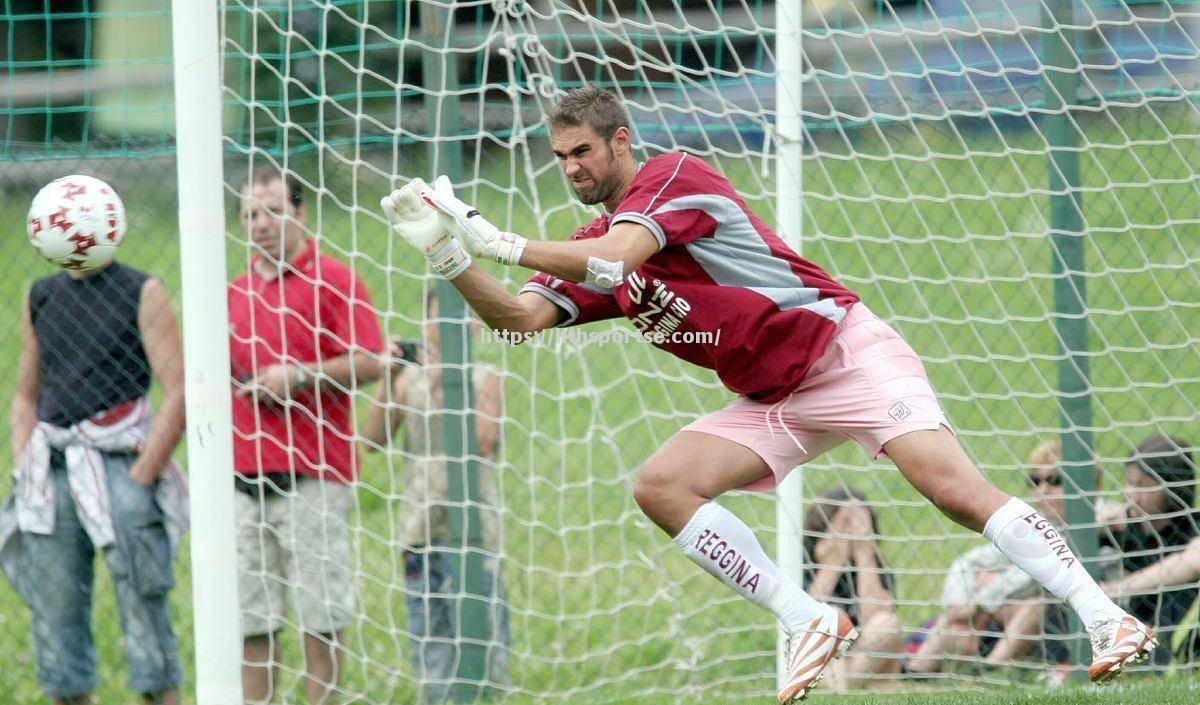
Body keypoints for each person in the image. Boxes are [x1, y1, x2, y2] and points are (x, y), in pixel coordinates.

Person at [379, 85, 1155, 701]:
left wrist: (494, 238)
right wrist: (448, 252)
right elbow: (517, 317)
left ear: (620, 140)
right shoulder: (586, 246)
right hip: (775, 394)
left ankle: (1107, 617)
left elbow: (619, 262)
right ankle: (809, 616)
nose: (573, 167)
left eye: (583, 150)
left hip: (845, 354)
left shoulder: (673, 176)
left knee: (951, 489)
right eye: (559, 157)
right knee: (661, 486)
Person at [0, 178, 187, 705]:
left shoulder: (142, 291)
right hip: (53, 468)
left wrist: (145, 471)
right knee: (54, 608)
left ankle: (160, 692)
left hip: (120, 465)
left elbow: (176, 389)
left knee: (143, 599)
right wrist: (25, 460)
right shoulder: (41, 295)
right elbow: (24, 394)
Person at [230, 168, 384, 704]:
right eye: (250, 213)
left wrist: (295, 375)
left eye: (272, 210)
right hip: (242, 477)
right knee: (252, 621)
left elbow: (371, 360)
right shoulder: (232, 294)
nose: (261, 224)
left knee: (320, 616)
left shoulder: (336, 280)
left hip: (313, 473)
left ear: (300, 212)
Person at [360, 291, 509, 701]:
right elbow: (372, 439)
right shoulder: (409, 380)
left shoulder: (486, 377)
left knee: (484, 647)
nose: (444, 328)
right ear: (425, 325)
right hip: (421, 529)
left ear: (474, 327)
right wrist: (390, 378)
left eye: (457, 320)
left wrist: (444, 382)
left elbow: (480, 440)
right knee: (433, 648)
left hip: (475, 533)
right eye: (436, 319)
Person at [905, 440, 1084, 676]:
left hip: (1065, 623)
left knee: (1030, 599)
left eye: (1055, 481)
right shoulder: (1029, 529)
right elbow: (969, 561)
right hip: (1006, 622)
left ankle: (990, 671)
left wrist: (979, 602)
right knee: (979, 586)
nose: (1042, 490)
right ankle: (915, 670)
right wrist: (962, 604)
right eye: (1034, 481)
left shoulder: (1097, 525)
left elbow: (1034, 574)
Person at [1097, 435, 1199, 666]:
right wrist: (1097, 524)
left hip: (1174, 626)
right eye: (1128, 483)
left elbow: (1193, 561)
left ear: (1172, 486)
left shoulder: (1193, 525)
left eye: (1142, 486)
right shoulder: (1122, 526)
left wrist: (1118, 589)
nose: (1131, 493)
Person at [803, 488, 903, 689]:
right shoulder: (800, 561)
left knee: (887, 623)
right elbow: (804, 619)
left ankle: (843, 688)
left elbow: (877, 619)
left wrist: (864, 553)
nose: (852, 531)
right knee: (830, 617)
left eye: (859, 524)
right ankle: (843, 689)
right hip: (817, 659)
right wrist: (833, 560)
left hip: (862, 659)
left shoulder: (875, 566)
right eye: (843, 524)